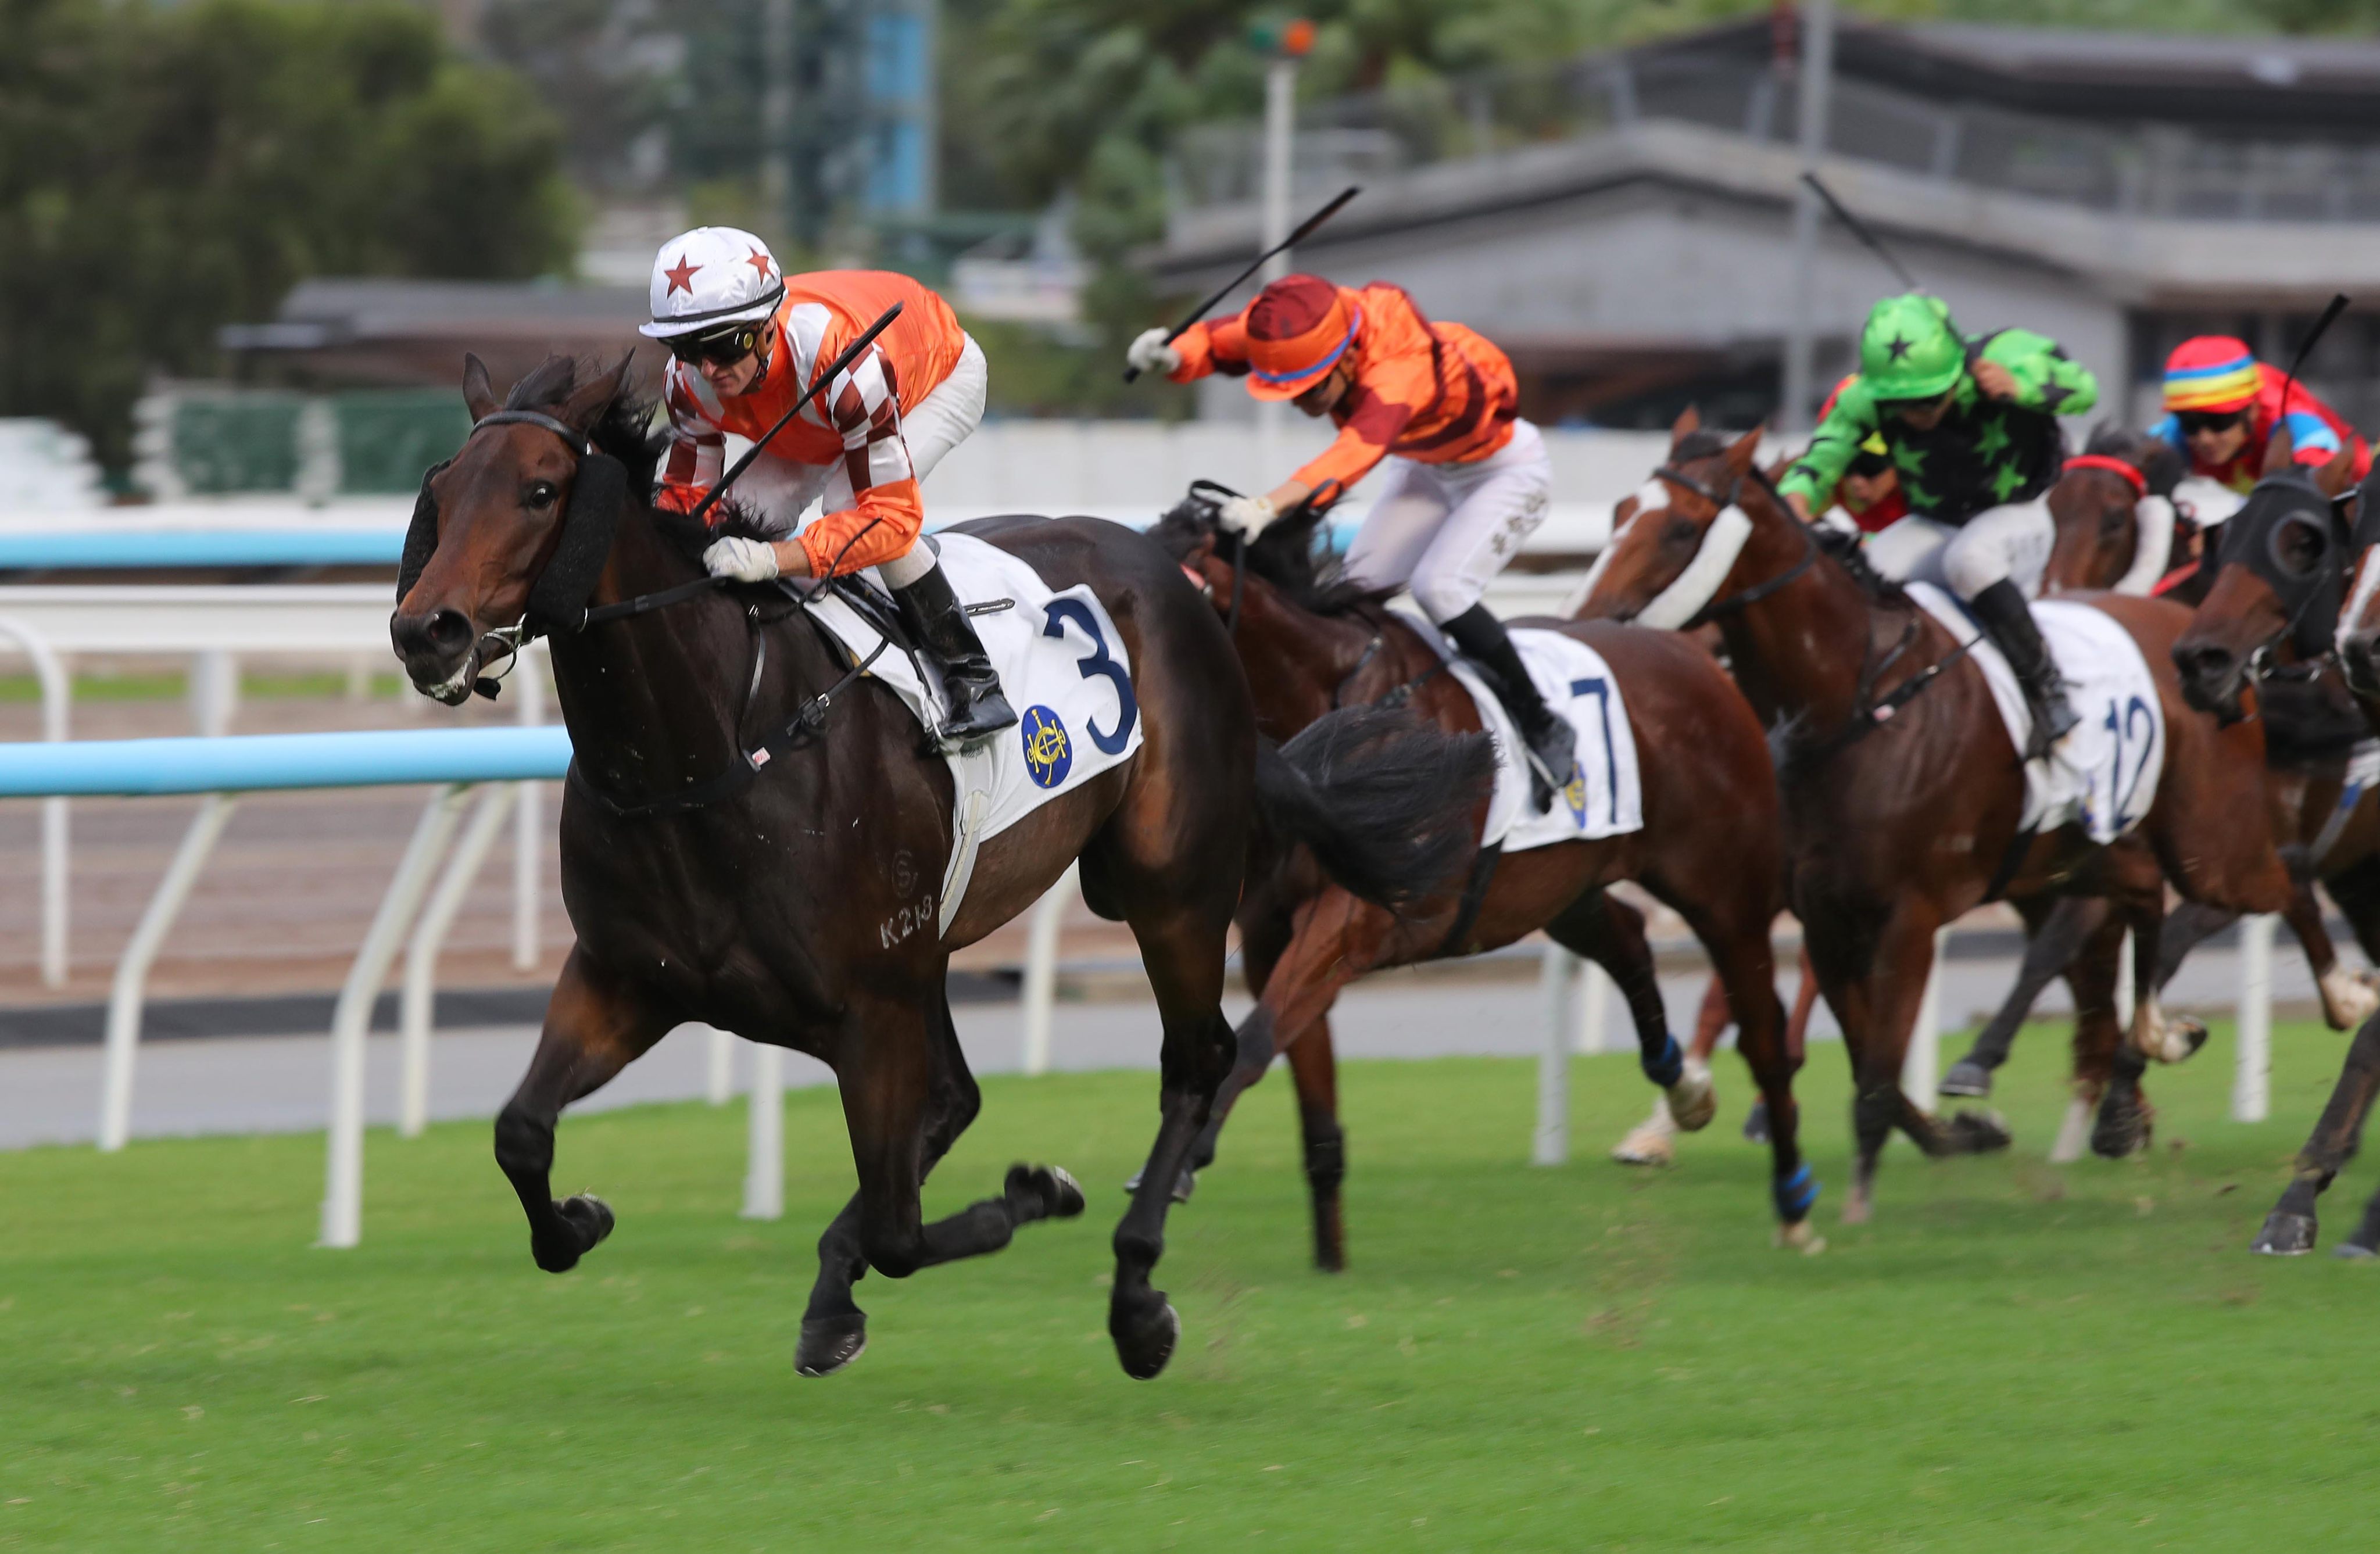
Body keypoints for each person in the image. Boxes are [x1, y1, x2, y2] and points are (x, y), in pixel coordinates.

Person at [1128, 275, 1574, 805]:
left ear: (1345, 359)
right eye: (1291, 392)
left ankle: (1540, 720)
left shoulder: (1399, 369)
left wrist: (1271, 503)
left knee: (1442, 589)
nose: (1302, 403)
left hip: (1504, 471)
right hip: (1429, 467)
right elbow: (1225, 340)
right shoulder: (1314, 328)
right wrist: (1174, 355)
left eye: (1312, 388)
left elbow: (1353, 455)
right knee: (1358, 592)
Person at [640, 226, 1015, 746]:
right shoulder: (688, 381)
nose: (707, 368)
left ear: (767, 328)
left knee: (847, 511)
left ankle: (972, 679)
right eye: (684, 347)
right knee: (747, 514)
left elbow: (890, 517)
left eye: (724, 346)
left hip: (932, 376)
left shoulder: (840, 359)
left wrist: (776, 560)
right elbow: (684, 504)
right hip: (817, 412)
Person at [1778, 293, 2100, 758]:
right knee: (1862, 574)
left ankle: (2046, 688)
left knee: (1969, 560)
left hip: (2020, 513)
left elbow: (2084, 388)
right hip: (1937, 520)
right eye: (1900, 404)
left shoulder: (2007, 351)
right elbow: (1823, 456)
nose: (1916, 416)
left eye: (1929, 400)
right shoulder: (1863, 396)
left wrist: (2022, 385)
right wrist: (1795, 501)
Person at [2149, 335, 2371, 496]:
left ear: (2253, 410)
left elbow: (2318, 481)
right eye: (2190, 424)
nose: (2204, 438)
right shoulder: (2180, 431)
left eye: (2219, 421)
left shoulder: (2289, 420)